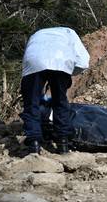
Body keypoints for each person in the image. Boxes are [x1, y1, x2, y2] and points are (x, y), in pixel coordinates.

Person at [20, 27, 90, 156]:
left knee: (31, 103)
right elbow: (83, 61)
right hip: (60, 59)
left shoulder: (36, 34)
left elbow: (28, 56)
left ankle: (34, 143)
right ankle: (62, 142)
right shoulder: (69, 32)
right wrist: (69, 73)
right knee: (60, 101)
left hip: (34, 60)